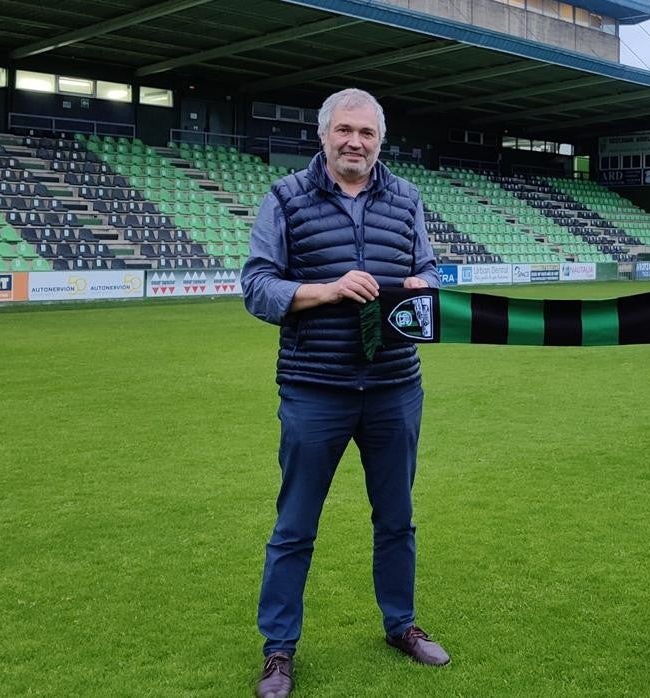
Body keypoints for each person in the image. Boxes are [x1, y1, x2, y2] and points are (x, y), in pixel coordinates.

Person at [241, 88, 445, 698]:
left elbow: (433, 273)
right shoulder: (285, 198)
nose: (355, 142)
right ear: (325, 134)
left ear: (381, 140)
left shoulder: (406, 199)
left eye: (367, 134)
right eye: (345, 131)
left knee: (397, 520)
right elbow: (256, 287)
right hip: (314, 389)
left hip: (393, 388)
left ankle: (401, 625)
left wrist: (420, 285)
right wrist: (327, 290)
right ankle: (278, 650)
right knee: (295, 526)